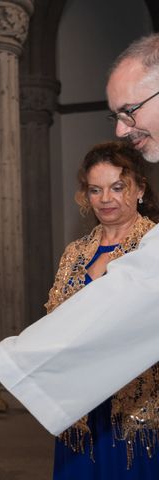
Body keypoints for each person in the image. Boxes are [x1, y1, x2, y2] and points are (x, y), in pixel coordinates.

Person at [0, 32, 159, 436]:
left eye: (129, 110)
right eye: (114, 115)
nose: (121, 128)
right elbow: (96, 306)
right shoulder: (78, 250)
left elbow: (130, 297)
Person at [45, 142, 159, 478]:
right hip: (79, 406)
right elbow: (55, 318)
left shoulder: (152, 245)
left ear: (140, 189)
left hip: (136, 405)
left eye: (117, 187)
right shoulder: (75, 251)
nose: (106, 198)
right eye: (96, 190)